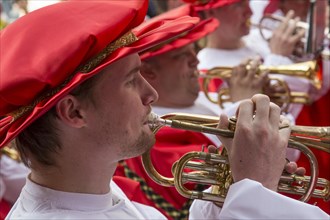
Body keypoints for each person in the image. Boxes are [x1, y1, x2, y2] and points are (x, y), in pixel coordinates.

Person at [0, 1, 328, 219]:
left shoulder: (94, 191)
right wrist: (256, 190)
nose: (151, 93)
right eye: (131, 81)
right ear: (74, 113)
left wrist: (227, 189)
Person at [114, 4, 274, 219]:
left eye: (193, 50)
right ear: (149, 70)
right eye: (181, 55)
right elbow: (209, 185)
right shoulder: (155, 134)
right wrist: (243, 106)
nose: (196, 59)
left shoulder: (195, 101)